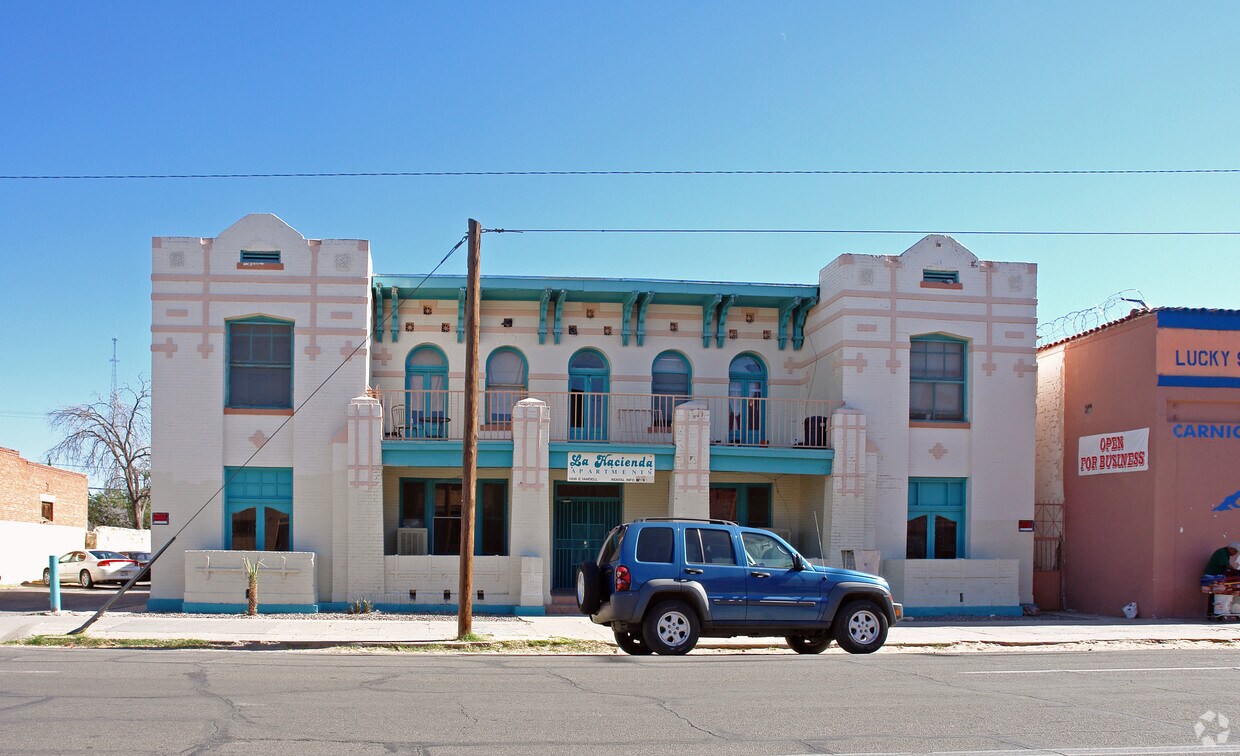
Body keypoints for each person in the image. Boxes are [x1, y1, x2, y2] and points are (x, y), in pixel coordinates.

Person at [1204, 541, 1240, 618]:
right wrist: (1235, 571)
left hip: (1217, 576)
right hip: (1213, 576)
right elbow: (1226, 564)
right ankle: (1213, 612)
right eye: (1235, 552)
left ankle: (1216, 612)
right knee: (1214, 594)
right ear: (1230, 548)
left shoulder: (1226, 553)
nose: (1235, 554)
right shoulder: (1222, 552)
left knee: (1217, 594)